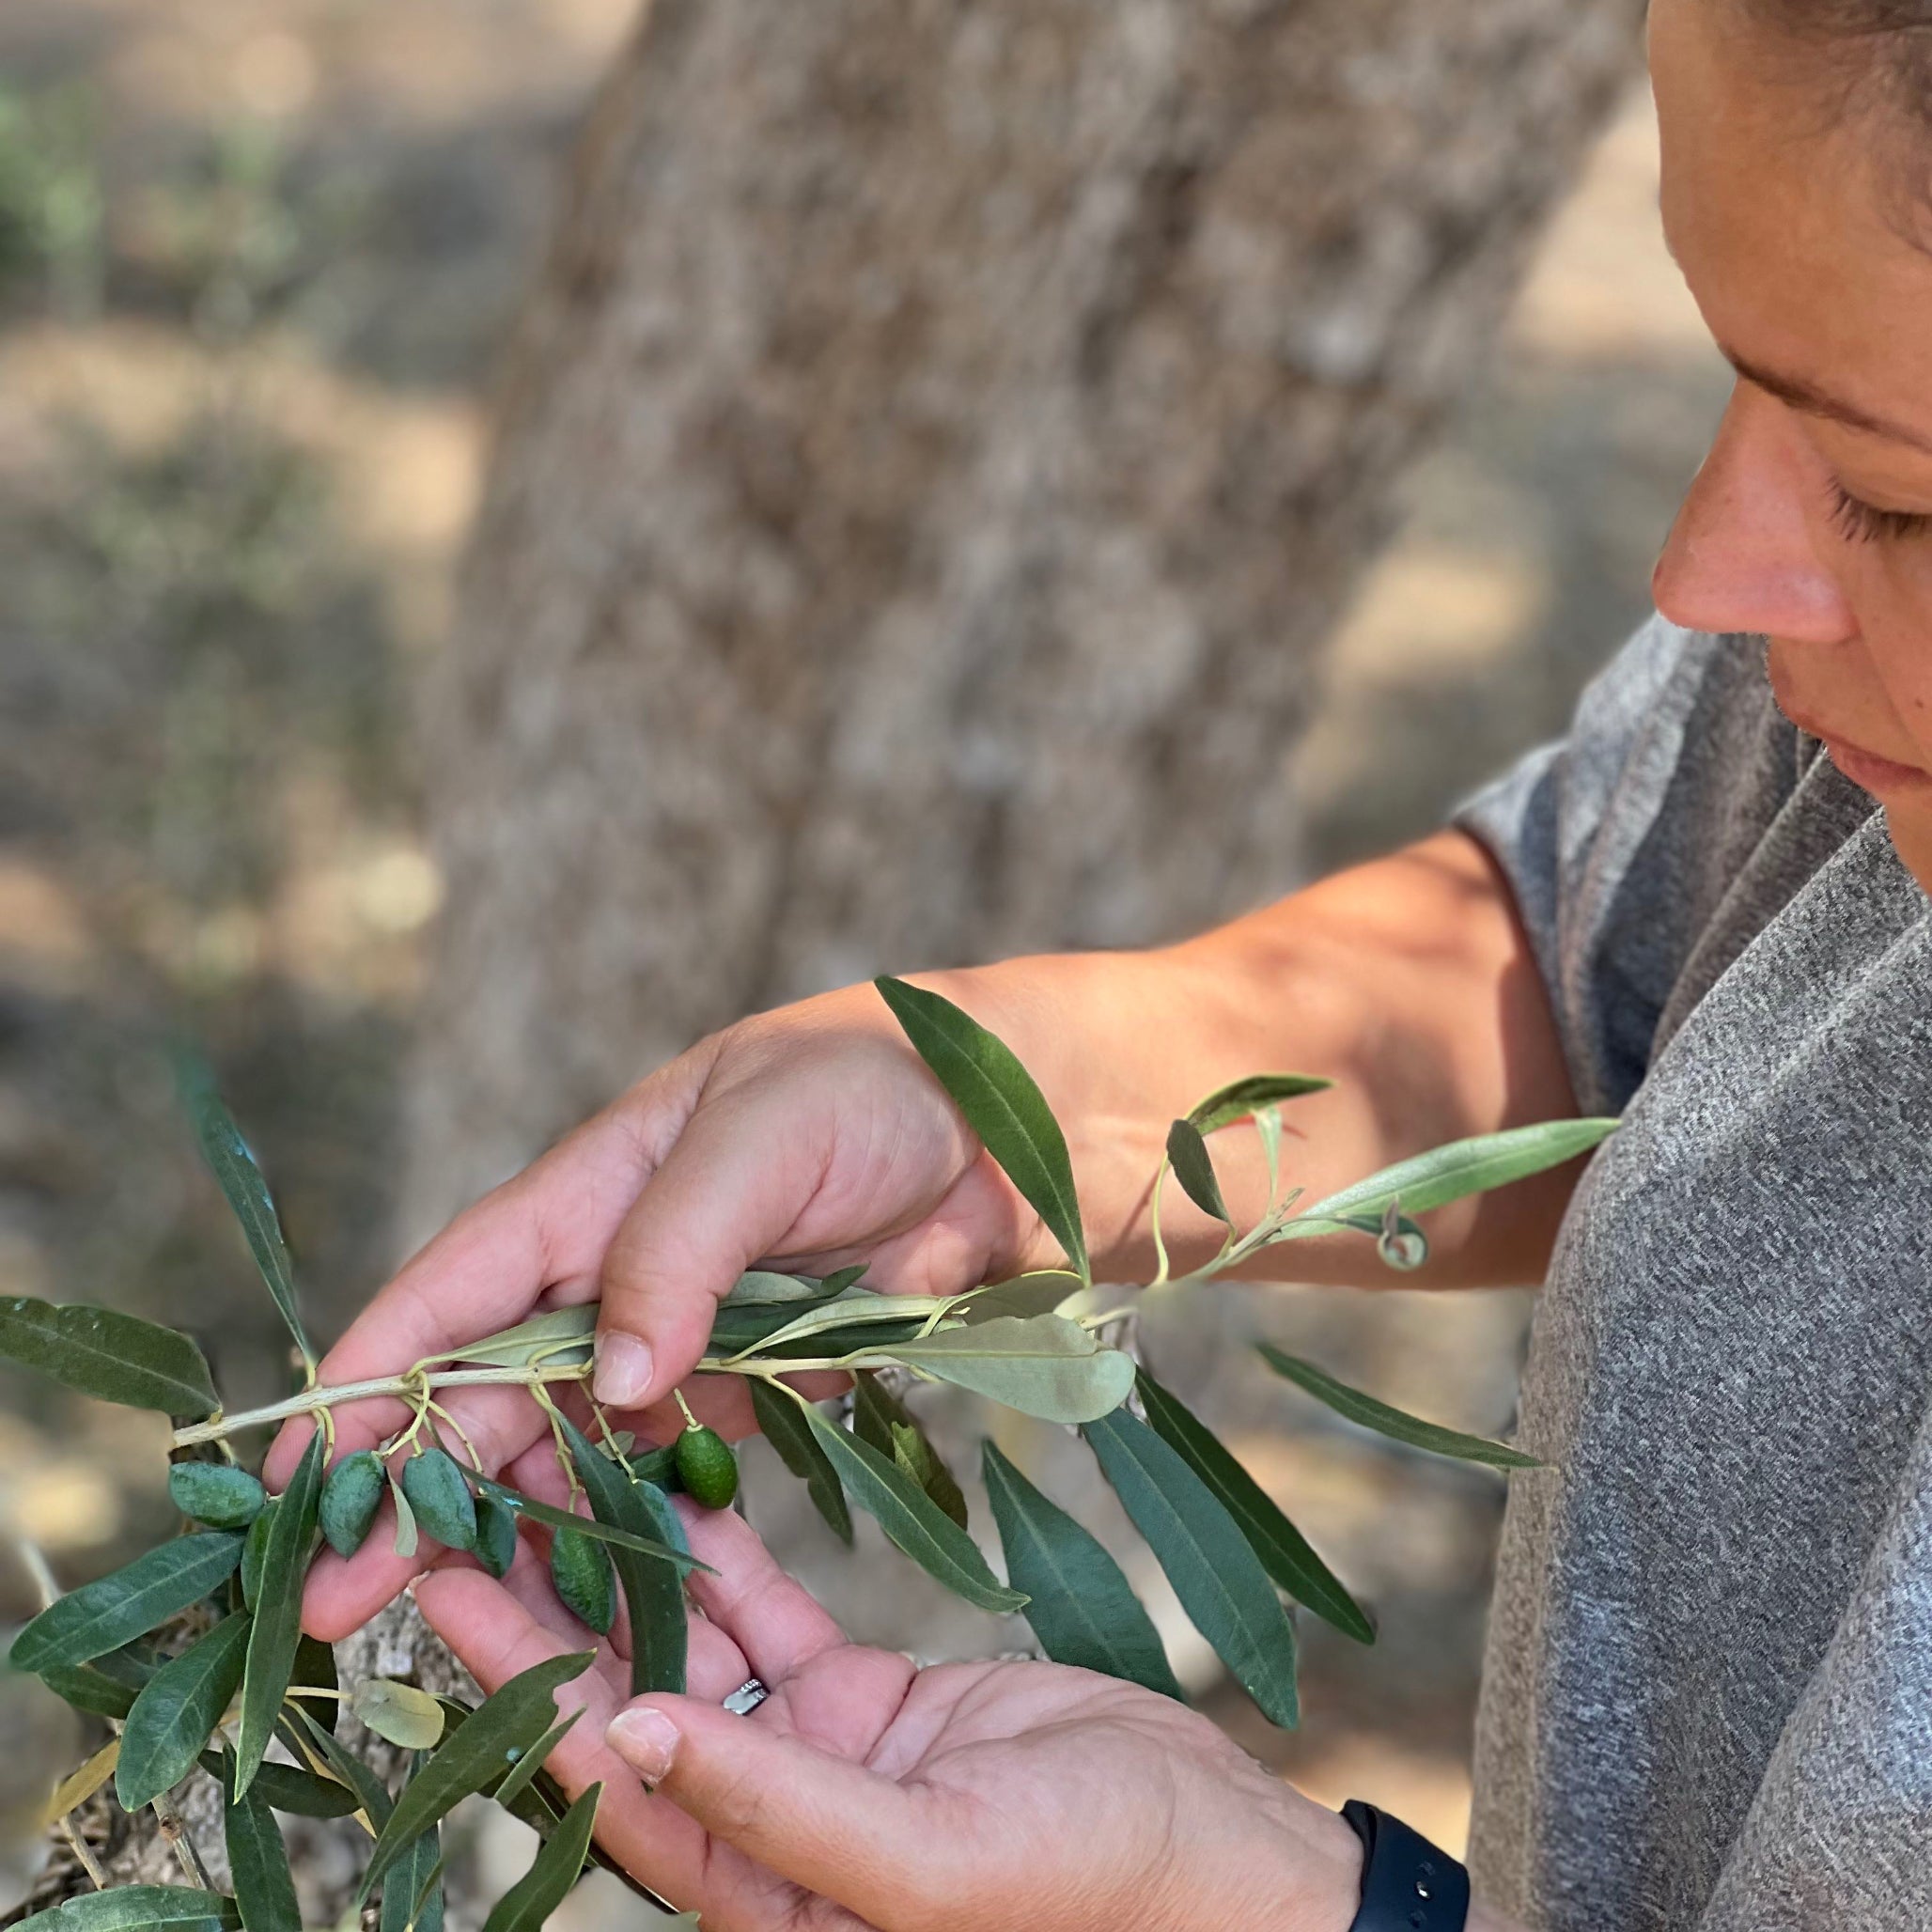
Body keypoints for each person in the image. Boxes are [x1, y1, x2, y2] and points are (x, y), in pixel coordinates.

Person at [273, 0, 1932, 1924]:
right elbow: (1606, 973)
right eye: (1722, 381)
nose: (1708, 573)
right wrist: (994, 1110)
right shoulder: (1846, 713)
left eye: (1888, 493)